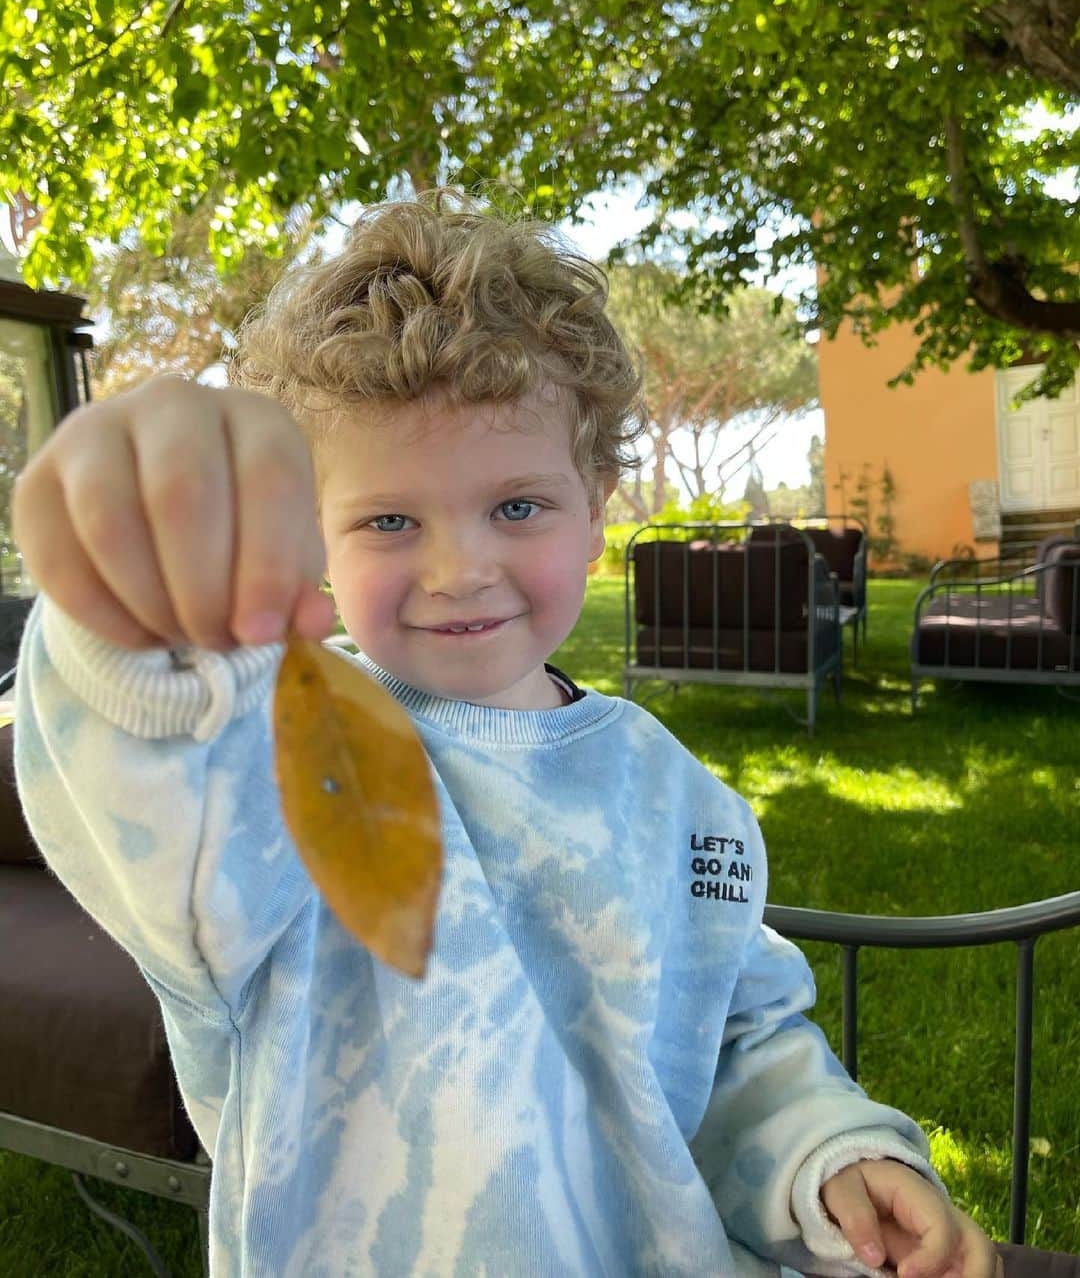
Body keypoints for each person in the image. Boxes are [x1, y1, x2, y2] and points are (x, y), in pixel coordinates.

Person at [12, 189, 1001, 1278]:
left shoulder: (677, 800)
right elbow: (139, 777)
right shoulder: (290, 749)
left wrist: (827, 1157)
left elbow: (735, 1041)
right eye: (389, 520)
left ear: (597, 506)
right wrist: (128, 614)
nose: (459, 569)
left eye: (518, 507)